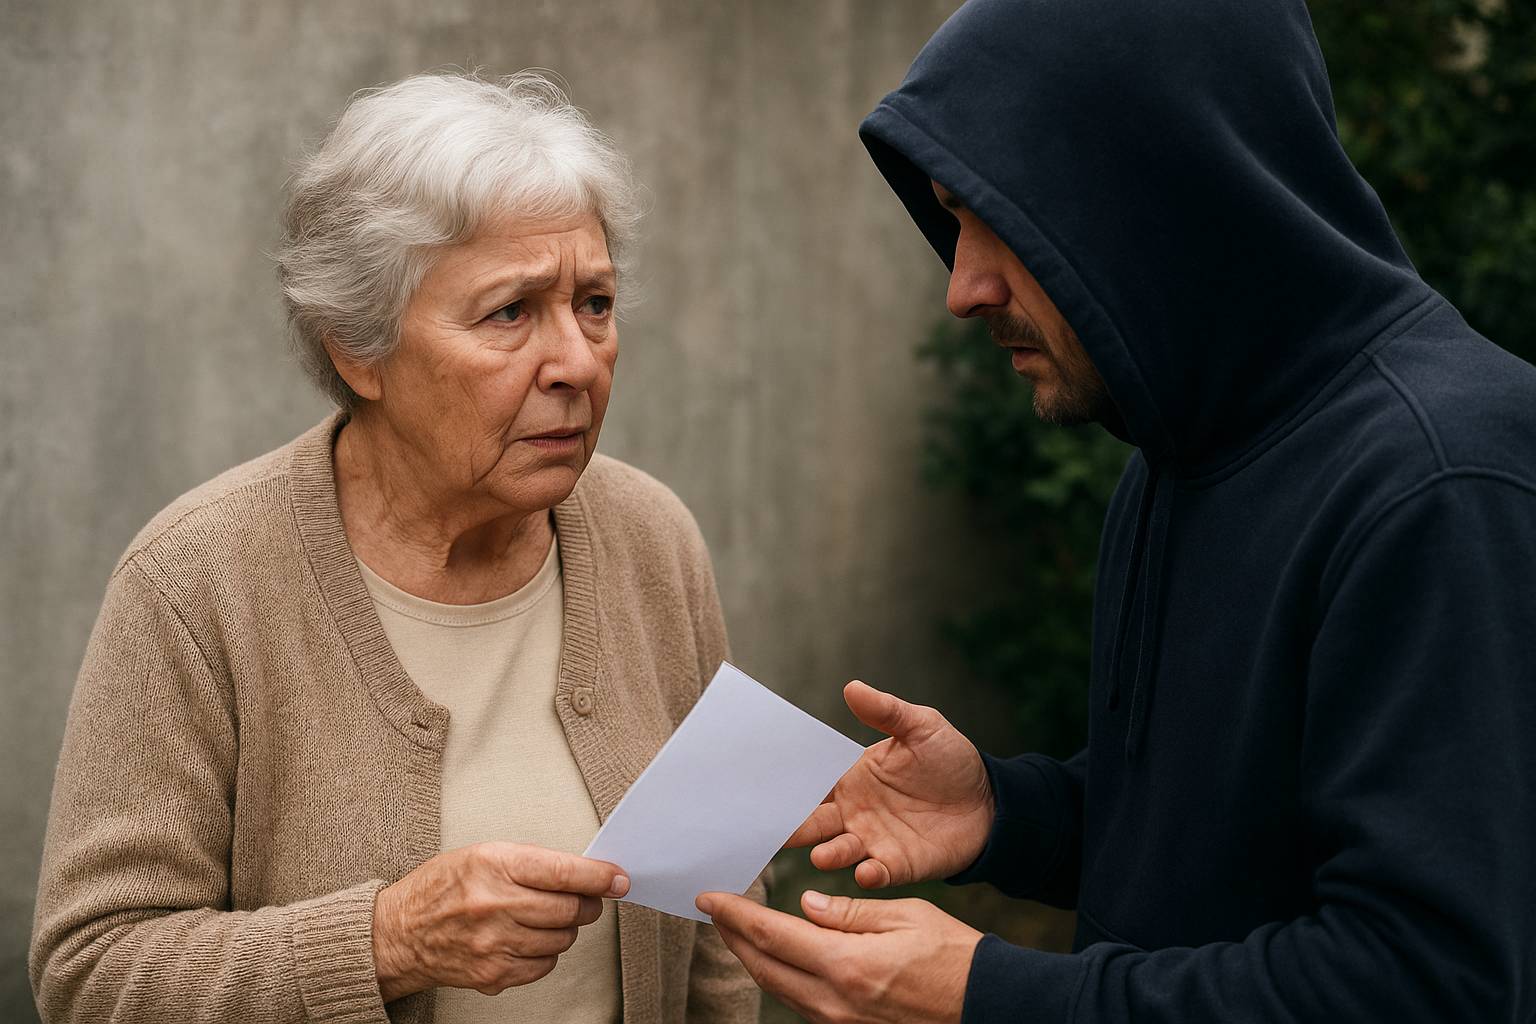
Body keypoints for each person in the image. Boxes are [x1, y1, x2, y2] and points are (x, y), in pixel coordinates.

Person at [696, 0, 1536, 1021]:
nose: (962, 286)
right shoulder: (1178, 456)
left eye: (998, 218)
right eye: (952, 219)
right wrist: (1005, 811)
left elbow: (1427, 983)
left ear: (1151, 190)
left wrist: (987, 992)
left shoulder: (1445, 483)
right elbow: (1216, 844)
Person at [31, 72, 760, 1024]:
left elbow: (720, 912)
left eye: (595, 302)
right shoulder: (194, 583)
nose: (579, 361)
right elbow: (91, 973)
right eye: (510, 312)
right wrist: (386, 942)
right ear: (357, 349)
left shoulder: (652, 536)